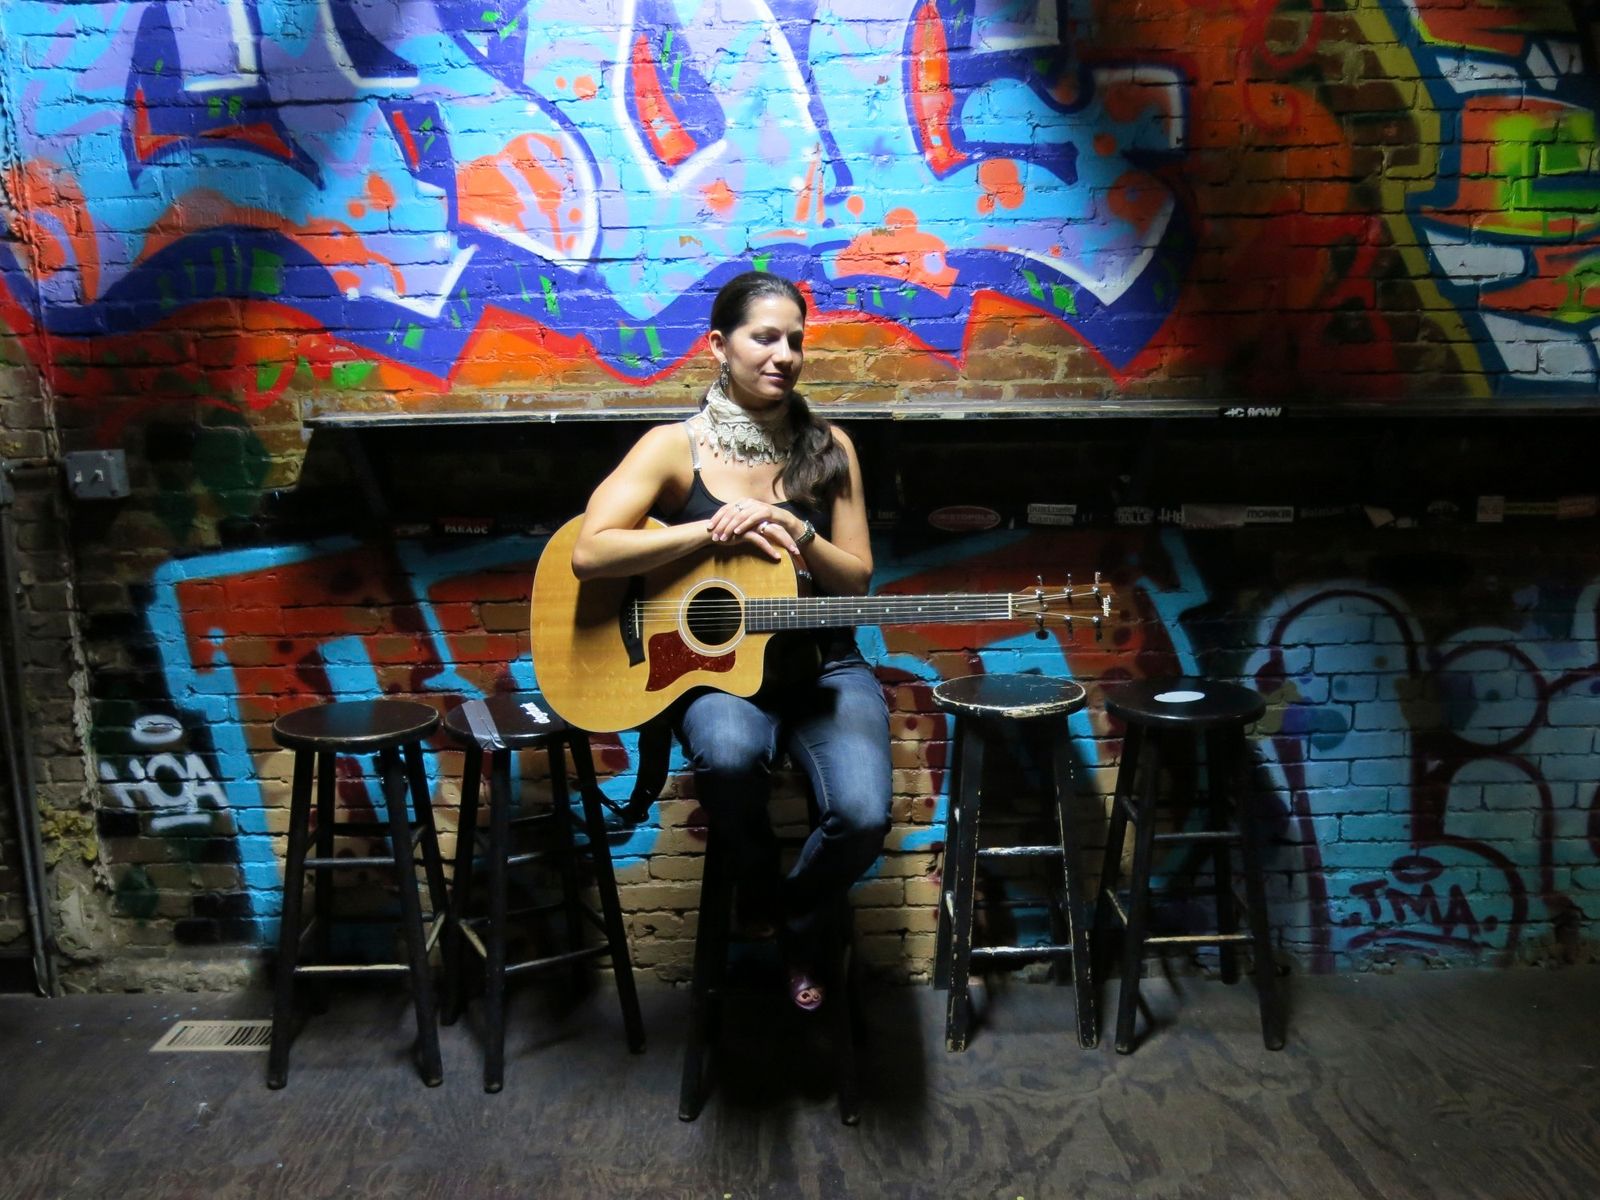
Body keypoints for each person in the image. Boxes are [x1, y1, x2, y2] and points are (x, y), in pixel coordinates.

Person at [570, 270, 891, 1010]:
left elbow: (855, 582)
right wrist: (705, 531)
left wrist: (797, 529)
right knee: (727, 755)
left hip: (824, 668)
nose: (784, 355)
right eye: (764, 337)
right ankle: (761, 886)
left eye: (795, 341)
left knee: (863, 815)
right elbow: (590, 552)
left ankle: (789, 918)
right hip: (715, 673)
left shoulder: (830, 448)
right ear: (718, 345)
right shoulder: (671, 448)